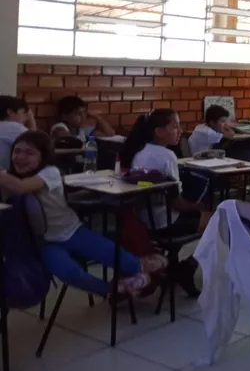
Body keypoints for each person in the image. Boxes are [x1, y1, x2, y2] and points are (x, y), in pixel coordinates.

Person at [0, 131, 158, 296]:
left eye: (29, 152)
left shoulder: (50, 172)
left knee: (128, 263)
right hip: (45, 243)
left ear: (44, 156)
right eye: (17, 151)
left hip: (72, 232)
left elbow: (22, 186)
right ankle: (113, 290)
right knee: (70, 273)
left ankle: (150, 271)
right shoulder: (9, 178)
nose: (20, 157)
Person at [120, 109, 209, 297]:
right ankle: (187, 267)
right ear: (159, 131)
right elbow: (177, 203)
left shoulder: (140, 151)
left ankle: (175, 266)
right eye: (175, 126)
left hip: (144, 220)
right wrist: (198, 207)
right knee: (219, 221)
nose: (180, 130)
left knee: (202, 215)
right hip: (165, 222)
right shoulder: (167, 156)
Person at [0, 95, 36, 170]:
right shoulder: (14, 127)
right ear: (10, 112)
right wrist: (31, 120)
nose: (26, 117)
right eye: (23, 112)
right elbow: (38, 143)